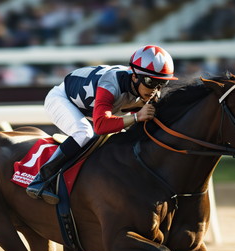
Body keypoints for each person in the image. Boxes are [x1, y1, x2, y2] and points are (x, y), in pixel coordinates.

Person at [26, 45, 177, 204]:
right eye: (150, 82)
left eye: (162, 83)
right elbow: (101, 126)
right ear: (134, 76)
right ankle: (42, 178)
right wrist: (137, 117)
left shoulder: (148, 91)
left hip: (98, 107)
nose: (155, 90)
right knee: (84, 133)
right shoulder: (111, 82)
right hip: (62, 99)